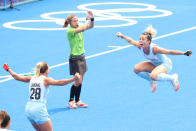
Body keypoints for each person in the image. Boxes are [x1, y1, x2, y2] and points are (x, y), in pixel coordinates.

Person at [3, 62, 80, 131]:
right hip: (38, 109)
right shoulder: (46, 80)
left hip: (28, 109)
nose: (49, 71)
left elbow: (16, 77)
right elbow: (60, 83)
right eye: (48, 69)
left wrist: (8, 69)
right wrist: (74, 78)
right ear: (46, 71)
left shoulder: (31, 78)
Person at [116, 25, 192, 92]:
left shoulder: (155, 49)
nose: (140, 41)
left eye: (143, 39)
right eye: (140, 39)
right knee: (136, 69)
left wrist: (184, 53)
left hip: (166, 65)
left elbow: (169, 52)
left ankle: (173, 78)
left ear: (148, 41)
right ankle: (152, 80)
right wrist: (121, 36)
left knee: (153, 75)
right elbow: (130, 40)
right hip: (155, 65)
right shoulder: (140, 46)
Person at [63, 11, 94, 108]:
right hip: (75, 59)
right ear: (70, 23)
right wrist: (87, 20)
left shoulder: (78, 28)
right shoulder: (70, 31)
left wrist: (92, 19)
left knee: (80, 81)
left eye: (77, 20)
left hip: (82, 57)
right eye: (75, 21)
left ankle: (78, 100)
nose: (77, 22)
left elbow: (91, 26)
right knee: (78, 81)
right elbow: (84, 27)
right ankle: (71, 101)